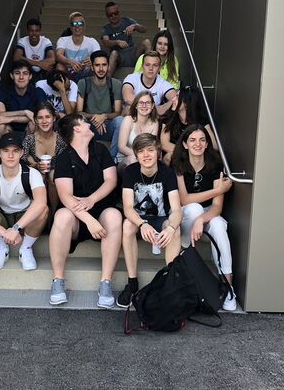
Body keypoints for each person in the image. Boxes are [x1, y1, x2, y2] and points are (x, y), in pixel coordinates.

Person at [49, 114, 122, 308]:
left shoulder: (100, 150)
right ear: (76, 128)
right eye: (84, 122)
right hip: (76, 214)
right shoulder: (64, 157)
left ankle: (105, 283)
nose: (88, 124)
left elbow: (111, 180)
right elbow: (65, 196)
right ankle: (58, 281)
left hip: (101, 209)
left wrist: (92, 199)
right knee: (61, 216)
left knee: (114, 216)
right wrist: (89, 221)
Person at [171, 124, 237, 311]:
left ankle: (227, 285)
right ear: (185, 144)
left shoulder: (215, 164)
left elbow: (217, 206)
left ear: (207, 143)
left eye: (202, 140)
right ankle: (185, 250)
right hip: (186, 216)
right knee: (193, 208)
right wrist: (218, 190)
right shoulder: (178, 163)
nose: (197, 144)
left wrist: (201, 219)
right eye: (192, 140)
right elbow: (184, 199)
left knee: (219, 226)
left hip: (207, 214)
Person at [117, 133, 182, 308]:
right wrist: (142, 224)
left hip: (160, 219)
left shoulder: (167, 173)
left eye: (150, 150)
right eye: (141, 151)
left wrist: (170, 228)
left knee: (175, 229)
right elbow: (128, 208)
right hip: (138, 220)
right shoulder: (130, 172)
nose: (146, 155)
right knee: (127, 225)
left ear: (158, 152)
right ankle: (132, 283)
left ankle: (170, 283)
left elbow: (176, 209)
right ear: (136, 155)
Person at [0, 132, 48, 271]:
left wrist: (16, 228)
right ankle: (1, 247)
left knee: (43, 210)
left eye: (15, 151)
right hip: (2, 217)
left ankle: (26, 248)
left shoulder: (32, 173)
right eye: (6, 150)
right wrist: (5, 233)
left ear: (22, 153)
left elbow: (41, 203)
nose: (10, 155)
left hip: (25, 217)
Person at [22, 102, 68, 216]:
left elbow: (65, 162)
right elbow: (21, 161)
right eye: (40, 118)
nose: (44, 121)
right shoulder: (29, 139)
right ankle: (39, 211)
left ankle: (54, 212)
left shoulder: (61, 140)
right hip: (36, 176)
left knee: (52, 176)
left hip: (55, 177)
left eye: (48, 117)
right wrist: (35, 165)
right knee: (40, 176)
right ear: (35, 120)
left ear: (53, 118)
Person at [76, 50, 123, 158]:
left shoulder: (115, 84)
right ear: (92, 67)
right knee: (80, 119)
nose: (101, 69)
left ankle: (112, 158)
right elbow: (79, 112)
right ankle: (83, 157)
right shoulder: (83, 83)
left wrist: (104, 116)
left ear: (108, 66)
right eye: (97, 65)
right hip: (89, 126)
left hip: (108, 126)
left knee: (121, 121)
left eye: (104, 65)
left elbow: (118, 112)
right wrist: (96, 117)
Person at [161, 86, 218, 164]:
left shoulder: (201, 121)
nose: (173, 99)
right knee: (168, 156)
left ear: (187, 103)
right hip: (179, 157)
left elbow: (215, 146)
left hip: (196, 157)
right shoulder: (169, 118)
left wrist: (193, 152)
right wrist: (186, 153)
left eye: (177, 97)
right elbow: (164, 144)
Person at [0, 61, 47, 139]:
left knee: (34, 123)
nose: (21, 77)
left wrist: (10, 119)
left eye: (25, 73)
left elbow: (40, 117)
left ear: (30, 76)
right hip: (9, 129)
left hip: (29, 129)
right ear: (12, 76)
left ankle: (28, 147)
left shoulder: (38, 92)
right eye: (17, 73)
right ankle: (6, 146)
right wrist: (24, 112)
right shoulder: (4, 91)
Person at [101, 1, 151, 77]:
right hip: (120, 56)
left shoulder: (127, 21)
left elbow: (144, 30)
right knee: (114, 53)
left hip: (133, 53)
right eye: (110, 15)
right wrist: (117, 42)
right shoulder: (106, 28)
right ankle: (107, 80)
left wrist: (135, 26)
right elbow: (106, 42)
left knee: (146, 42)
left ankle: (148, 71)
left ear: (119, 12)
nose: (113, 16)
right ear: (107, 16)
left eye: (116, 13)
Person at [122, 51, 177, 116]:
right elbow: (127, 98)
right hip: (131, 117)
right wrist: (158, 108)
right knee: (128, 109)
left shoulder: (162, 83)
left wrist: (164, 107)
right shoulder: (132, 78)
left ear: (159, 68)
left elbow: (176, 98)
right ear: (142, 66)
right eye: (147, 65)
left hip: (151, 118)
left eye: (155, 65)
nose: (151, 68)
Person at [116, 91, 159, 172]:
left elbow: (152, 146)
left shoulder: (154, 123)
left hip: (145, 158)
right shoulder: (128, 120)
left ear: (152, 106)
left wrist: (145, 157)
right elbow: (121, 147)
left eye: (148, 103)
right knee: (133, 160)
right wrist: (140, 156)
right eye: (141, 103)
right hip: (126, 160)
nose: (144, 106)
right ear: (136, 105)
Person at [55, 11, 100, 81]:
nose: (77, 26)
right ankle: (64, 86)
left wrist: (93, 59)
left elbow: (100, 57)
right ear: (70, 27)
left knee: (95, 66)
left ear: (84, 26)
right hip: (68, 74)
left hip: (86, 73)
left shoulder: (92, 41)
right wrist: (70, 62)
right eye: (74, 24)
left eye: (80, 23)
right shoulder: (63, 40)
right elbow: (58, 56)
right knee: (59, 66)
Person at [13, 18, 55, 83]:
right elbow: (16, 57)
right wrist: (38, 64)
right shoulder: (22, 41)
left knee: (51, 67)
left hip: (42, 72)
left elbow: (52, 59)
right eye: (31, 31)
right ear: (27, 31)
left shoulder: (46, 41)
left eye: (37, 31)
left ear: (40, 31)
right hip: (28, 70)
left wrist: (41, 64)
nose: (34, 33)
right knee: (18, 66)